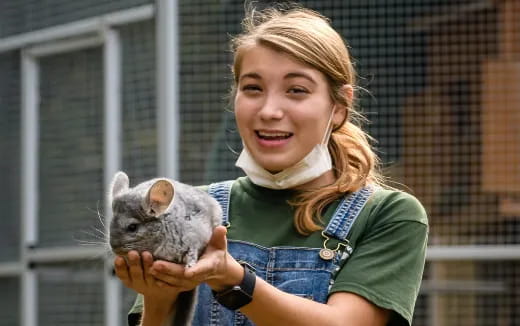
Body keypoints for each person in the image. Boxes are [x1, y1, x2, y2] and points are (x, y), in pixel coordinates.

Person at [114, 5, 428, 326]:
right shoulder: (189, 208)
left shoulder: (388, 216)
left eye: (296, 90)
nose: (269, 110)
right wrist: (159, 297)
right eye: (253, 88)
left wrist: (233, 279)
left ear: (338, 106)